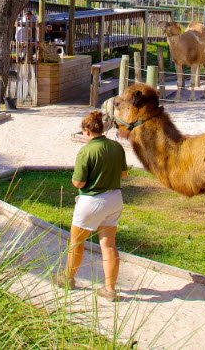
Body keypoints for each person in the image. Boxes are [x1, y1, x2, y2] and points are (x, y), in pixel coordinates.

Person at [55, 111, 128, 301]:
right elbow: (124, 174)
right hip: (114, 199)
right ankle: (110, 289)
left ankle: (68, 278)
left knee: (76, 242)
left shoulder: (86, 151)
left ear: (87, 131)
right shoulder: (116, 147)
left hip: (92, 201)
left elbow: (78, 182)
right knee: (109, 244)